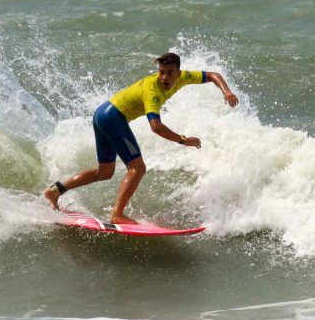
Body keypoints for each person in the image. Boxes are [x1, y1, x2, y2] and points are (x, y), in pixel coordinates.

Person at [43, 52, 239, 224]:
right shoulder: (153, 90)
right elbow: (156, 127)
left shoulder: (185, 76)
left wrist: (226, 90)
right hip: (113, 117)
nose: (164, 77)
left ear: (178, 73)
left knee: (105, 172)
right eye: (161, 71)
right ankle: (117, 214)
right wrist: (183, 140)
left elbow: (213, 75)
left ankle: (55, 191)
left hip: (102, 113)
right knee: (138, 168)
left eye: (169, 73)